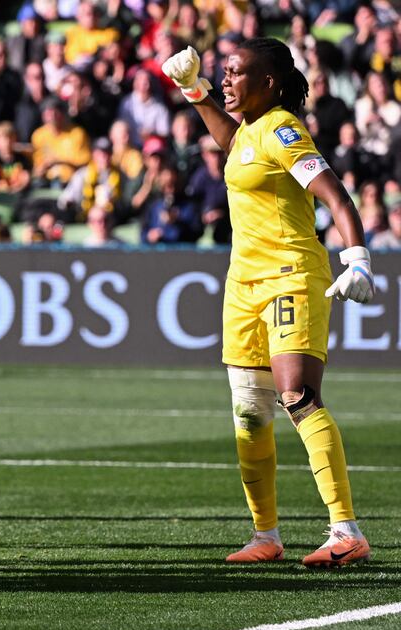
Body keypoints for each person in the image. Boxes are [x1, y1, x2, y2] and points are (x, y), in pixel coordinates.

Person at [163, 38, 374, 567]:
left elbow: (334, 194)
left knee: (297, 396)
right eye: (224, 72)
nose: (226, 80)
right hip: (243, 285)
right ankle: (266, 536)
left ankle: (345, 530)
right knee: (249, 410)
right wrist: (196, 91)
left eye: (235, 73)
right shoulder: (251, 133)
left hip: (290, 275)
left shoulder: (283, 130)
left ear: (270, 83)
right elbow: (235, 147)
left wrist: (358, 258)